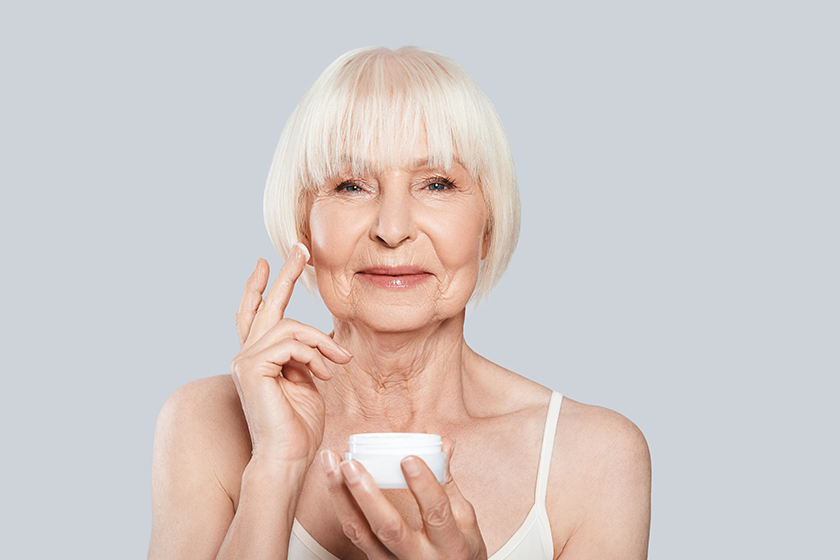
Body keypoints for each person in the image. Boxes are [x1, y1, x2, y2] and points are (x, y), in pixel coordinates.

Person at [149, 46, 651, 560]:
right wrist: (274, 466)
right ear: (305, 228)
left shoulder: (594, 458)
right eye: (351, 185)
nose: (392, 229)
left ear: (486, 228)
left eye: (436, 183)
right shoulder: (203, 424)